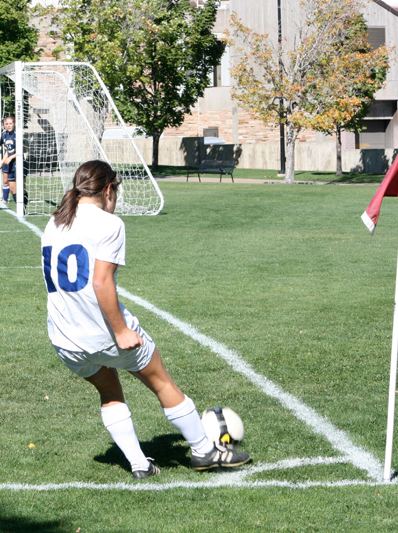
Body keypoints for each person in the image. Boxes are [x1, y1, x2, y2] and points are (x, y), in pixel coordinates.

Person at [40, 160, 251, 479]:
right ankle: (204, 451)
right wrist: (121, 330)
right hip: (104, 333)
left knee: (109, 391)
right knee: (162, 382)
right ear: (108, 189)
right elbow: (101, 282)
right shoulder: (109, 225)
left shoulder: (55, 221)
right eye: (116, 191)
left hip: (64, 336)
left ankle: (140, 465)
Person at [0, 115, 26, 204]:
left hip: (18, 164)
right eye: (6, 124)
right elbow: (7, 151)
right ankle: (17, 206)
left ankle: (24, 207)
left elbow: (24, 150)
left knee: (21, 187)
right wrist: (1, 163)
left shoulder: (18, 134)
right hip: (10, 165)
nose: (9, 125)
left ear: (14, 124)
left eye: (10, 123)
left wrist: (11, 157)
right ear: (4, 125)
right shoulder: (4, 135)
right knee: (12, 189)